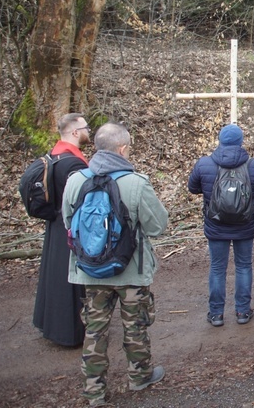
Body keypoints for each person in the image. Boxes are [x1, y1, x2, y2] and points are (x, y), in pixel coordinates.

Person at [61, 123, 169, 406]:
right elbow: (158, 226)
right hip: (131, 271)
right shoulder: (136, 183)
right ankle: (139, 376)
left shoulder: (75, 181)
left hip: (90, 271)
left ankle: (94, 391)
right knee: (135, 326)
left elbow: (68, 224)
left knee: (95, 330)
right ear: (123, 150)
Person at [188, 124, 254, 327]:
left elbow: (193, 188)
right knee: (243, 266)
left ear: (220, 140)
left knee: (217, 268)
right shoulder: (252, 165)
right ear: (241, 141)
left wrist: (211, 202)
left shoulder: (205, 163)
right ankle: (242, 312)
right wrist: (250, 208)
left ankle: (216, 314)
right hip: (245, 225)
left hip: (215, 226)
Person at [33, 113, 91, 347]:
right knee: (70, 279)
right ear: (75, 132)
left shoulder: (55, 155)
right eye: (86, 127)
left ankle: (50, 323)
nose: (90, 131)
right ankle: (69, 332)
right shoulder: (72, 163)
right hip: (70, 227)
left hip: (56, 226)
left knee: (54, 275)